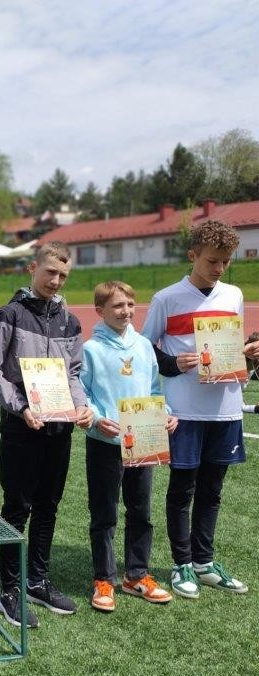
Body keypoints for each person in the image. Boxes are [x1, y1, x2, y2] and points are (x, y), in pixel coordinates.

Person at [143, 219, 259, 598]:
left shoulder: (234, 295)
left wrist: (248, 354)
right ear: (192, 255)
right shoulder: (166, 298)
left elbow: (229, 348)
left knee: (213, 491)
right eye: (212, 261)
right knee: (183, 490)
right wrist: (173, 363)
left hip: (226, 409)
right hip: (185, 411)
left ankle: (204, 564)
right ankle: (181, 564)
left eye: (226, 261)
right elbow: (144, 351)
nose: (219, 268)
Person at [0, 242, 93, 627]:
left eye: (63, 275)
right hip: (21, 426)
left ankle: (37, 581)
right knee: (17, 507)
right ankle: (9, 590)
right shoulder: (8, 315)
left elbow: (73, 373)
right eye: (50, 272)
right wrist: (21, 407)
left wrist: (81, 405)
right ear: (33, 268)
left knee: (48, 505)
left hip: (60, 428)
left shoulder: (70, 322)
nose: (56, 281)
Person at [80, 281, 176, 612]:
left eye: (130, 305)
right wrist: (96, 420)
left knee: (141, 511)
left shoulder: (145, 346)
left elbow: (153, 389)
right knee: (104, 513)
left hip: (143, 441)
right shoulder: (91, 348)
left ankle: (136, 575)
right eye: (118, 306)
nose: (126, 311)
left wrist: (165, 413)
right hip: (105, 443)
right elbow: (83, 393)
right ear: (100, 311)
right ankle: (103, 579)